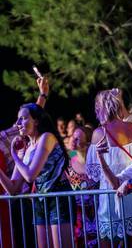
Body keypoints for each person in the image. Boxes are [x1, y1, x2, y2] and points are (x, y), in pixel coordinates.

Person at [0, 103, 74, 248]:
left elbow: (30, 176)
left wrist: (15, 155)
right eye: (18, 119)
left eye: (23, 118)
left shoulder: (47, 137)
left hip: (58, 196)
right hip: (40, 200)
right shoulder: (27, 148)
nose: (18, 123)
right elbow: (13, 189)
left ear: (36, 121)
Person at [86, 88, 132, 247]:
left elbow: (93, 173)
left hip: (110, 198)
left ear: (101, 108)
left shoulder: (99, 133)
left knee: (107, 242)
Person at [67, 126, 99, 247]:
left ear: (88, 143)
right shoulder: (68, 163)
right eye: (73, 138)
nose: (73, 141)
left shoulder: (97, 162)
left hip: (98, 213)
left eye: (78, 139)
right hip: (79, 217)